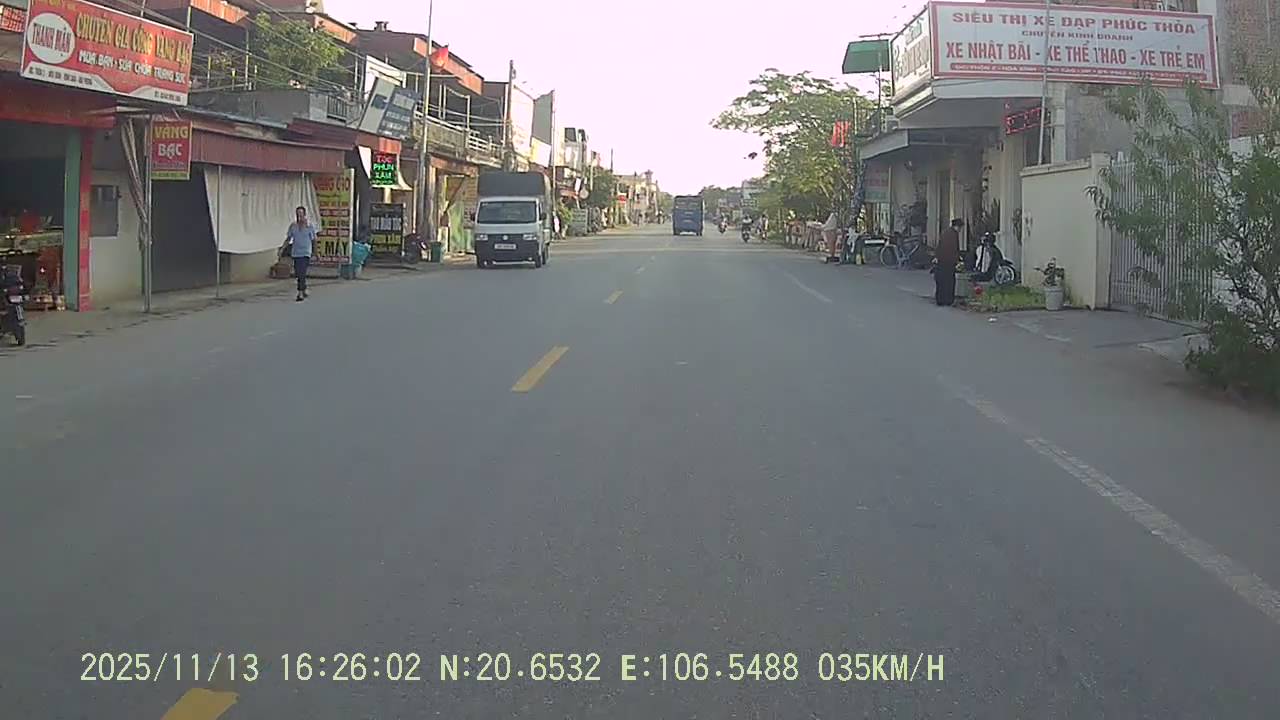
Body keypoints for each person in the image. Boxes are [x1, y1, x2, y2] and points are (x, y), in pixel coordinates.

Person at [284, 205, 317, 302]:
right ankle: (304, 288)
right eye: (298, 215)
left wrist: (315, 252)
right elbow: (289, 238)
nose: (300, 217)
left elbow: (314, 240)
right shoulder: (293, 226)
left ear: (305, 215)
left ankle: (300, 292)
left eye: (301, 215)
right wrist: (282, 248)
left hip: (305, 253)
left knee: (302, 272)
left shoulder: (309, 226)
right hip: (296, 253)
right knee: (298, 273)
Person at [935, 218, 963, 306]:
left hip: (941, 260)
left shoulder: (945, 233)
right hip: (949, 261)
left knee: (941, 281)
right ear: (957, 227)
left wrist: (937, 256)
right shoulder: (954, 235)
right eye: (960, 228)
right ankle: (948, 300)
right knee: (949, 281)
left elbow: (939, 246)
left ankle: (940, 299)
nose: (960, 230)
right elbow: (954, 249)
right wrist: (957, 259)